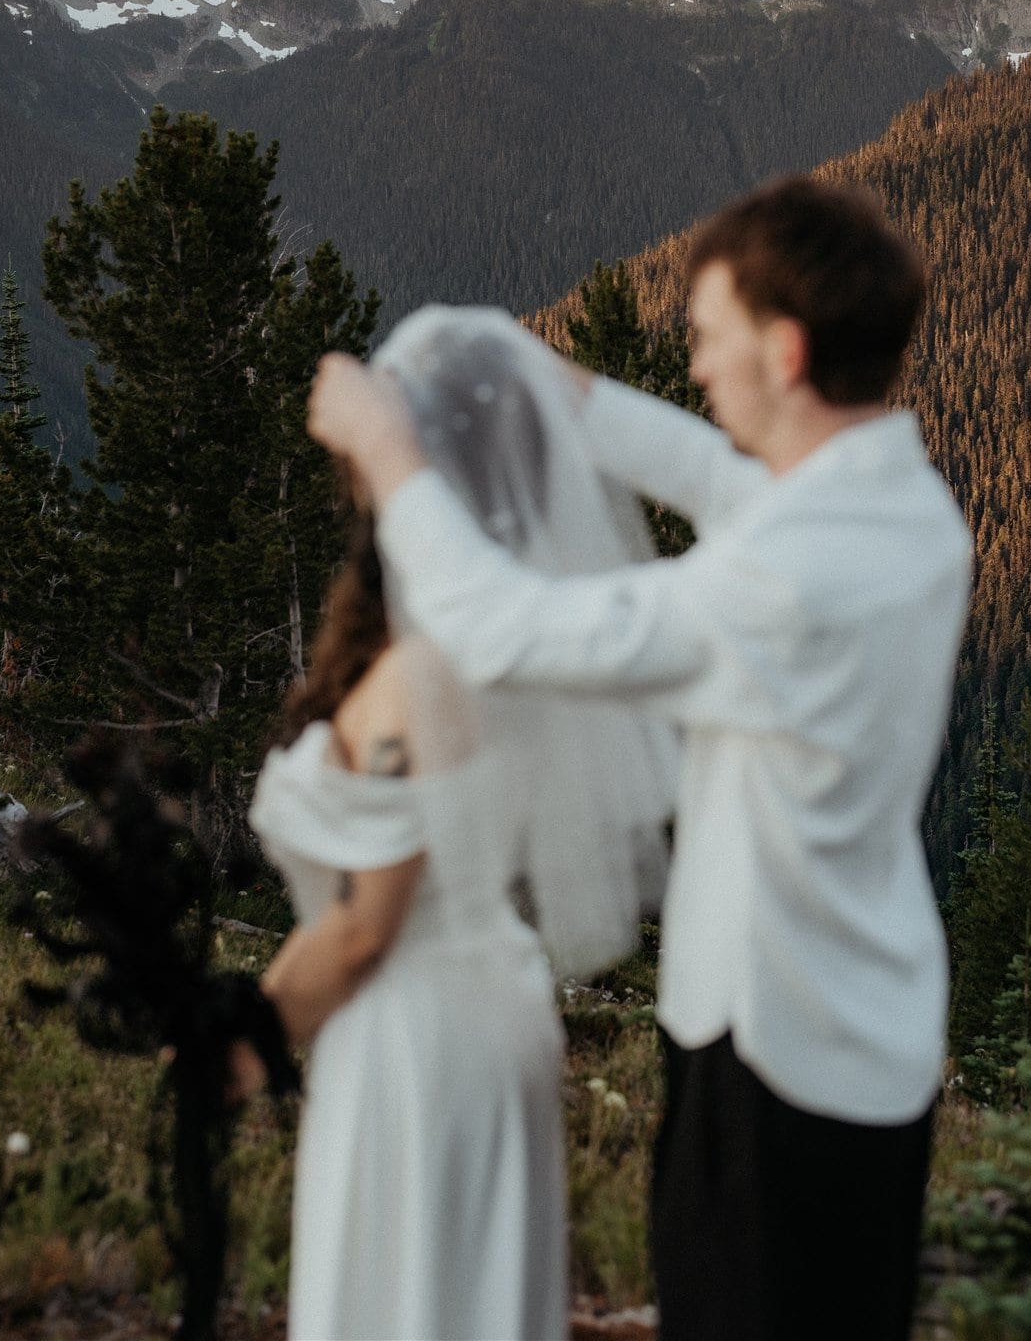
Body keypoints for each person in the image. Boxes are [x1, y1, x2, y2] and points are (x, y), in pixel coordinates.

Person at [308, 177, 974, 1341]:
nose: (700, 369)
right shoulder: (902, 505)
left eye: (711, 340)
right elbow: (736, 484)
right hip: (868, 1023)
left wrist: (391, 449)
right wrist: (567, 394)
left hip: (773, 1058)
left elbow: (502, 627)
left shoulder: (783, 582)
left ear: (788, 347)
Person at [243, 308, 677, 1341]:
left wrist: (239, 1036)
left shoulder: (421, 670)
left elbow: (360, 928)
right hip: (492, 1011)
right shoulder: (504, 630)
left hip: (414, 1033)